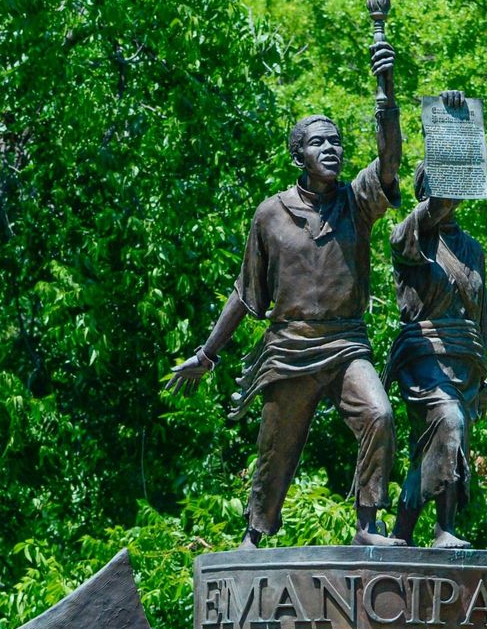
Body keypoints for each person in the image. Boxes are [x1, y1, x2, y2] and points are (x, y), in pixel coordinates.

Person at [166, 31, 405, 549]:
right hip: (290, 346)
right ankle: (255, 535)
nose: (332, 149)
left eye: (337, 140)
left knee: (379, 415)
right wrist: (207, 355)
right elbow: (246, 294)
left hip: (345, 343)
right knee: (277, 449)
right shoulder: (270, 215)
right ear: (299, 154)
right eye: (319, 142)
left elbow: (389, 165)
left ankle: (368, 524)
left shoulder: (357, 201)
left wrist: (385, 89)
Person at [385, 128, 487, 548]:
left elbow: (483, 318)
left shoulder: (473, 249)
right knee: (449, 423)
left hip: (465, 361)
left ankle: (402, 534)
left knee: (431, 449)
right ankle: (444, 530)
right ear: (424, 191)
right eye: (439, 183)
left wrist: (485, 378)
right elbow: (438, 207)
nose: (449, 194)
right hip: (424, 357)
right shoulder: (408, 238)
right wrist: (454, 133)